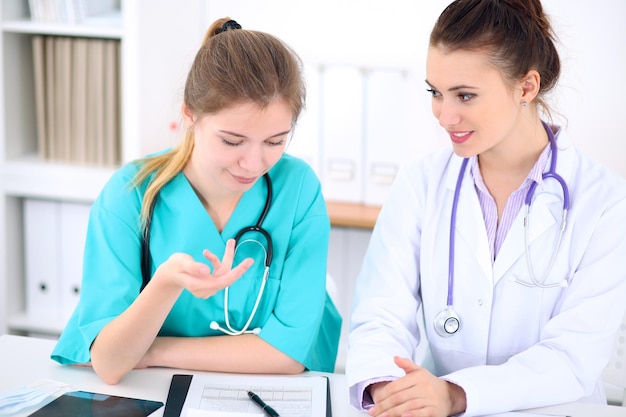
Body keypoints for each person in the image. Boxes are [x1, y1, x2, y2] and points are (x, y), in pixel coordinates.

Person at [346, 1, 626, 416]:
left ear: (527, 88)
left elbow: (573, 356)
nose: (445, 115)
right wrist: (390, 387)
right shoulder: (421, 183)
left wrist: (457, 394)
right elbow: (380, 313)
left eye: (465, 95)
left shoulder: (603, 201)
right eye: (435, 93)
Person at [51, 17, 341, 385]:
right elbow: (110, 362)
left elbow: (287, 354)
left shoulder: (297, 188)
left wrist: (154, 350)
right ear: (190, 114)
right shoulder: (130, 194)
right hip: (153, 393)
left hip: (270, 393)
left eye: (275, 141)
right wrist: (167, 283)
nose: (253, 164)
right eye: (232, 141)